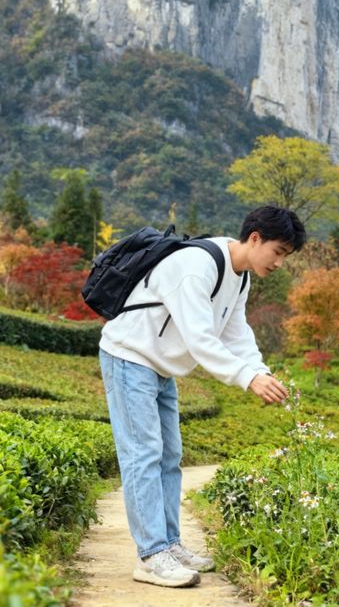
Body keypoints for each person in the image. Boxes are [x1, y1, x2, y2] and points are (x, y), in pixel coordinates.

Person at [98, 205, 306, 588]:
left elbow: (236, 334)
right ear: (255, 238)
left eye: (285, 256)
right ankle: (150, 556)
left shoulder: (239, 277)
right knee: (143, 454)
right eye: (278, 251)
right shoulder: (198, 266)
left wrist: (259, 370)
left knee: (170, 456)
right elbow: (200, 339)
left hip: (161, 367)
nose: (279, 263)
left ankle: (169, 544)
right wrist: (247, 378)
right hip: (130, 357)